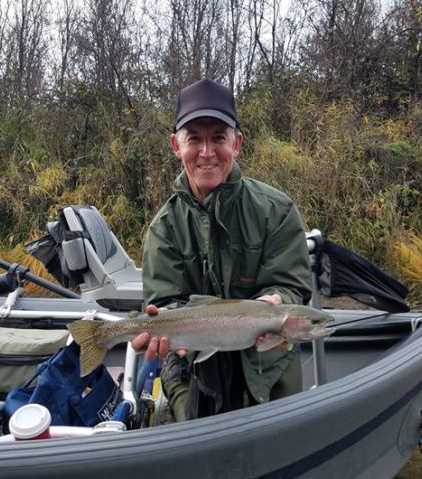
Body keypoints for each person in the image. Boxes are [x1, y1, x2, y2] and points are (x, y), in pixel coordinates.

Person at [132, 78, 312, 421]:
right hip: (192, 368)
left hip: (268, 369)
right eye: (194, 139)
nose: (206, 152)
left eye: (218, 138)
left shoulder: (277, 211)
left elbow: (292, 287)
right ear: (175, 145)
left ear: (237, 143)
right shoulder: (164, 229)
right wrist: (161, 327)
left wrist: (275, 302)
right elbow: (166, 302)